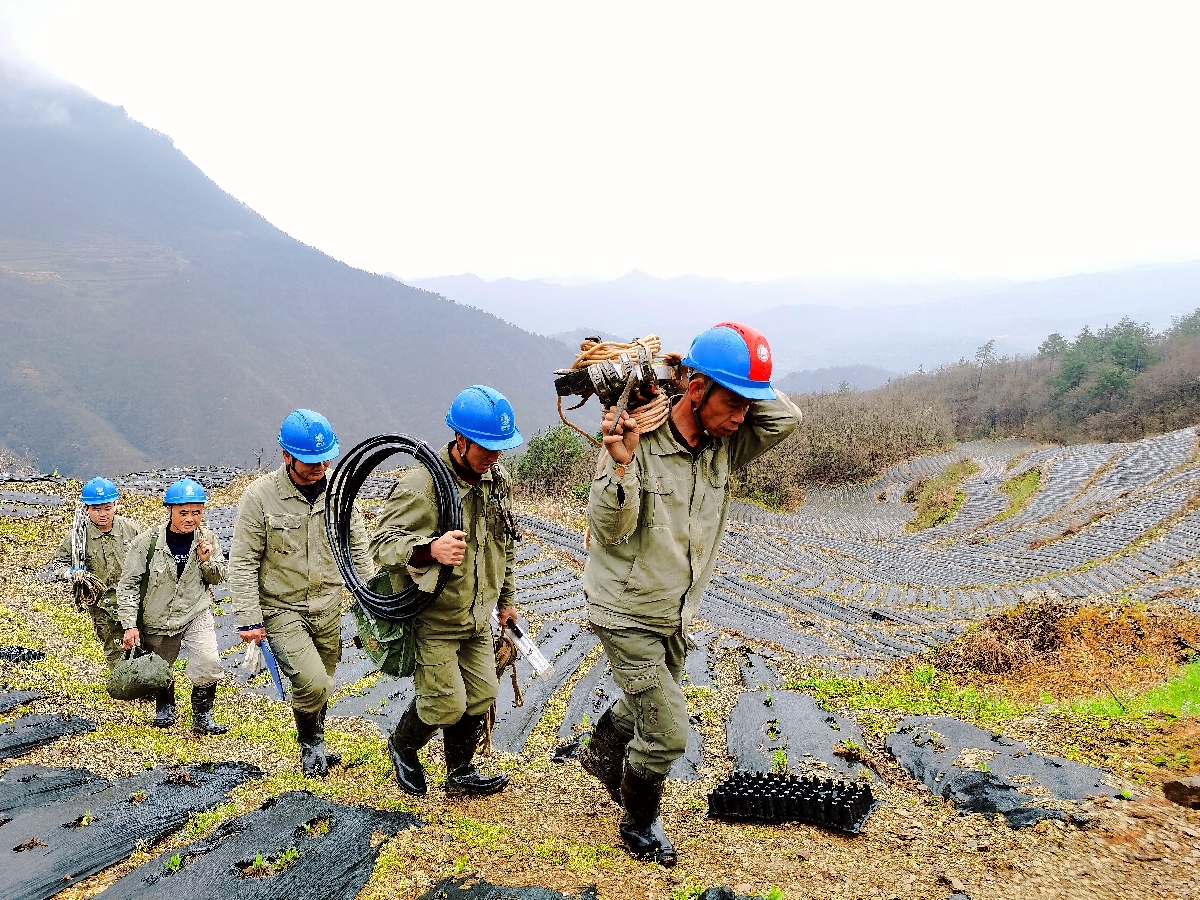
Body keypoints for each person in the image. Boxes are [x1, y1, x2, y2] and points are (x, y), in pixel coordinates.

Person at [579, 322, 802, 866]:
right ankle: (638, 822)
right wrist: (621, 462)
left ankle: (601, 753)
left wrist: (726, 376)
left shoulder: (723, 443)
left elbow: (786, 418)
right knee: (669, 731)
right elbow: (608, 528)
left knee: (648, 708)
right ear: (699, 393)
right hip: (626, 609)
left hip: (675, 610)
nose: (742, 417)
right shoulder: (636, 440)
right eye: (732, 402)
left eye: (748, 406)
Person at [370, 385, 523, 797]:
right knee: (445, 705)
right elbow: (382, 544)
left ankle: (460, 772)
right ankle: (402, 746)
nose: (495, 456)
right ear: (460, 440)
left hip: (477, 616)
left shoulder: (496, 481)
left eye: (500, 448)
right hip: (435, 617)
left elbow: (504, 544)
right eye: (487, 447)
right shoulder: (422, 484)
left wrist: (505, 601)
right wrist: (428, 549)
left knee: (482, 694)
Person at [227, 409, 373, 777]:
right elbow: (243, 560)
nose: (319, 467)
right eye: (309, 461)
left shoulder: (341, 495)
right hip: (281, 608)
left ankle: (318, 740)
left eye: (325, 459)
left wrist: (371, 600)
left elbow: (358, 548)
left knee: (324, 680)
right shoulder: (259, 497)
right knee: (312, 681)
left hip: (328, 605)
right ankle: (309, 746)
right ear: (286, 456)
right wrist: (248, 617)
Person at [115, 477, 228, 734]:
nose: (190, 518)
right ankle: (165, 704)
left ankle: (203, 715)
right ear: (169, 511)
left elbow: (219, 576)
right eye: (184, 512)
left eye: (197, 512)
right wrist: (130, 625)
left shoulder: (207, 539)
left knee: (208, 661)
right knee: (159, 666)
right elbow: (129, 584)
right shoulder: (147, 543)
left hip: (195, 611)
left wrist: (207, 560)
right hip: (157, 616)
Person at [52, 478, 142, 668]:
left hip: (132, 599)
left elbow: (149, 559)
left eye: (107, 508)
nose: (102, 514)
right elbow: (58, 564)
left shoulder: (131, 529)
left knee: (141, 641)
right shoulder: (77, 537)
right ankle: (123, 686)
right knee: (113, 645)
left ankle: (144, 681)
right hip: (100, 603)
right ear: (86, 509)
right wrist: (70, 573)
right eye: (96, 509)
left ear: (115, 505)